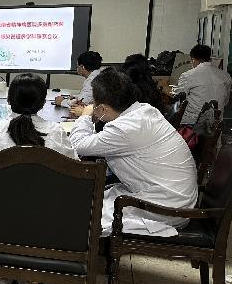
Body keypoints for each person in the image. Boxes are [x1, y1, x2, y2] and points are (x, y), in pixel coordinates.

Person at [0, 73, 78, 284]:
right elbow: (74, 167)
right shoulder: (56, 131)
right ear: (42, 102)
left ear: (9, 100)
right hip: (45, 223)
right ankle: (32, 274)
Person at [70, 68, 198, 237]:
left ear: (103, 108)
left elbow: (78, 144)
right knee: (90, 201)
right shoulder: (144, 110)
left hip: (168, 207)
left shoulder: (125, 128)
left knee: (84, 218)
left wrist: (85, 116)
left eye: (94, 104)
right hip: (173, 195)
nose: (92, 107)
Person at [173, 44, 232, 126]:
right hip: (216, 124)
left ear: (193, 59)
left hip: (191, 124)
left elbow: (178, 98)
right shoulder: (226, 76)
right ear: (209, 58)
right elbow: (226, 101)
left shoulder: (188, 75)